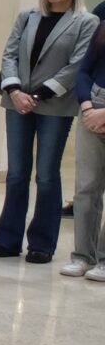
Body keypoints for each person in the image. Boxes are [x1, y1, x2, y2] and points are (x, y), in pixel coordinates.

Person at [0, 0, 96, 264]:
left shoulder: (86, 21)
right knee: (16, 174)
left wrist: (39, 94)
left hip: (55, 105)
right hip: (17, 101)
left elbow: (77, 65)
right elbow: (9, 54)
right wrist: (15, 91)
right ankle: (7, 239)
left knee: (47, 175)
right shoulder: (28, 16)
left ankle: (42, 243)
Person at [64, 26, 105, 278]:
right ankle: (82, 256)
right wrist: (88, 107)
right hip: (93, 106)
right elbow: (84, 70)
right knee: (86, 187)